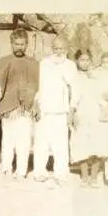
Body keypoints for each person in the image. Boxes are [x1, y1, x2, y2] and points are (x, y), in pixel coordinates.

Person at [0, 27, 39, 181]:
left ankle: (21, 171)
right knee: (8, 140)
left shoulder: (33, 64)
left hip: (25, 109)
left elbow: (36, 87)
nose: (19, 47)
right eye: (16, 44)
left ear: (27, 44)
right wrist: (3, 108)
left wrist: (31, 105)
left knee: (24, 141)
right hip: (9, 108)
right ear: (11, 43)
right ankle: (7, 168)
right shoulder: (3, 62)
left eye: (22, 44)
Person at [33, 36, 78, 185]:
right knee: (41, 143)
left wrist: (71, 111)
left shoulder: (70, 65)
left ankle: (61, 174)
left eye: (62, 49)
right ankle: (39, 172)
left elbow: (75, 90)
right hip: (45, 109)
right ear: (52, 48)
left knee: (61, 144)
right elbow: (39, 86)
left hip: (61, 111)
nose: (58, 52)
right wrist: (37, 105)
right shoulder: (44, 63)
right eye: (56, 48)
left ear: (66, 49)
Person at [69, 49, 108, 188]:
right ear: (77, 61)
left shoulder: (97, 76)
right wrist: (71, 115)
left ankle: (94, 178)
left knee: (97, 146)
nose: (84, 63)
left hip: (96, 114)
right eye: (82, 60)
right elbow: (74, 99)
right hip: (82, 114)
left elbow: (102, 96)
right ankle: (84, 177)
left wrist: (104, 109)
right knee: (82, 146)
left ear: (91, 60)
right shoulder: (75, 78)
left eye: (87, 60)